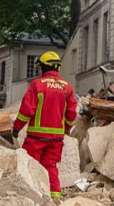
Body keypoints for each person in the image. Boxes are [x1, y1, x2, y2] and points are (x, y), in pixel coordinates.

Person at [12, 51, 76, 198]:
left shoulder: (37, 85)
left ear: (44, 67)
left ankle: (28, 196)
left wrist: (17, 127)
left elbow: (26, 110)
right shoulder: (67, 87)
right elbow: (71, 114)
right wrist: (66, 129)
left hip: (36, 137)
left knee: (30, 164)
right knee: (51, 166)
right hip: (56, 139)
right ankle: (55, 197)